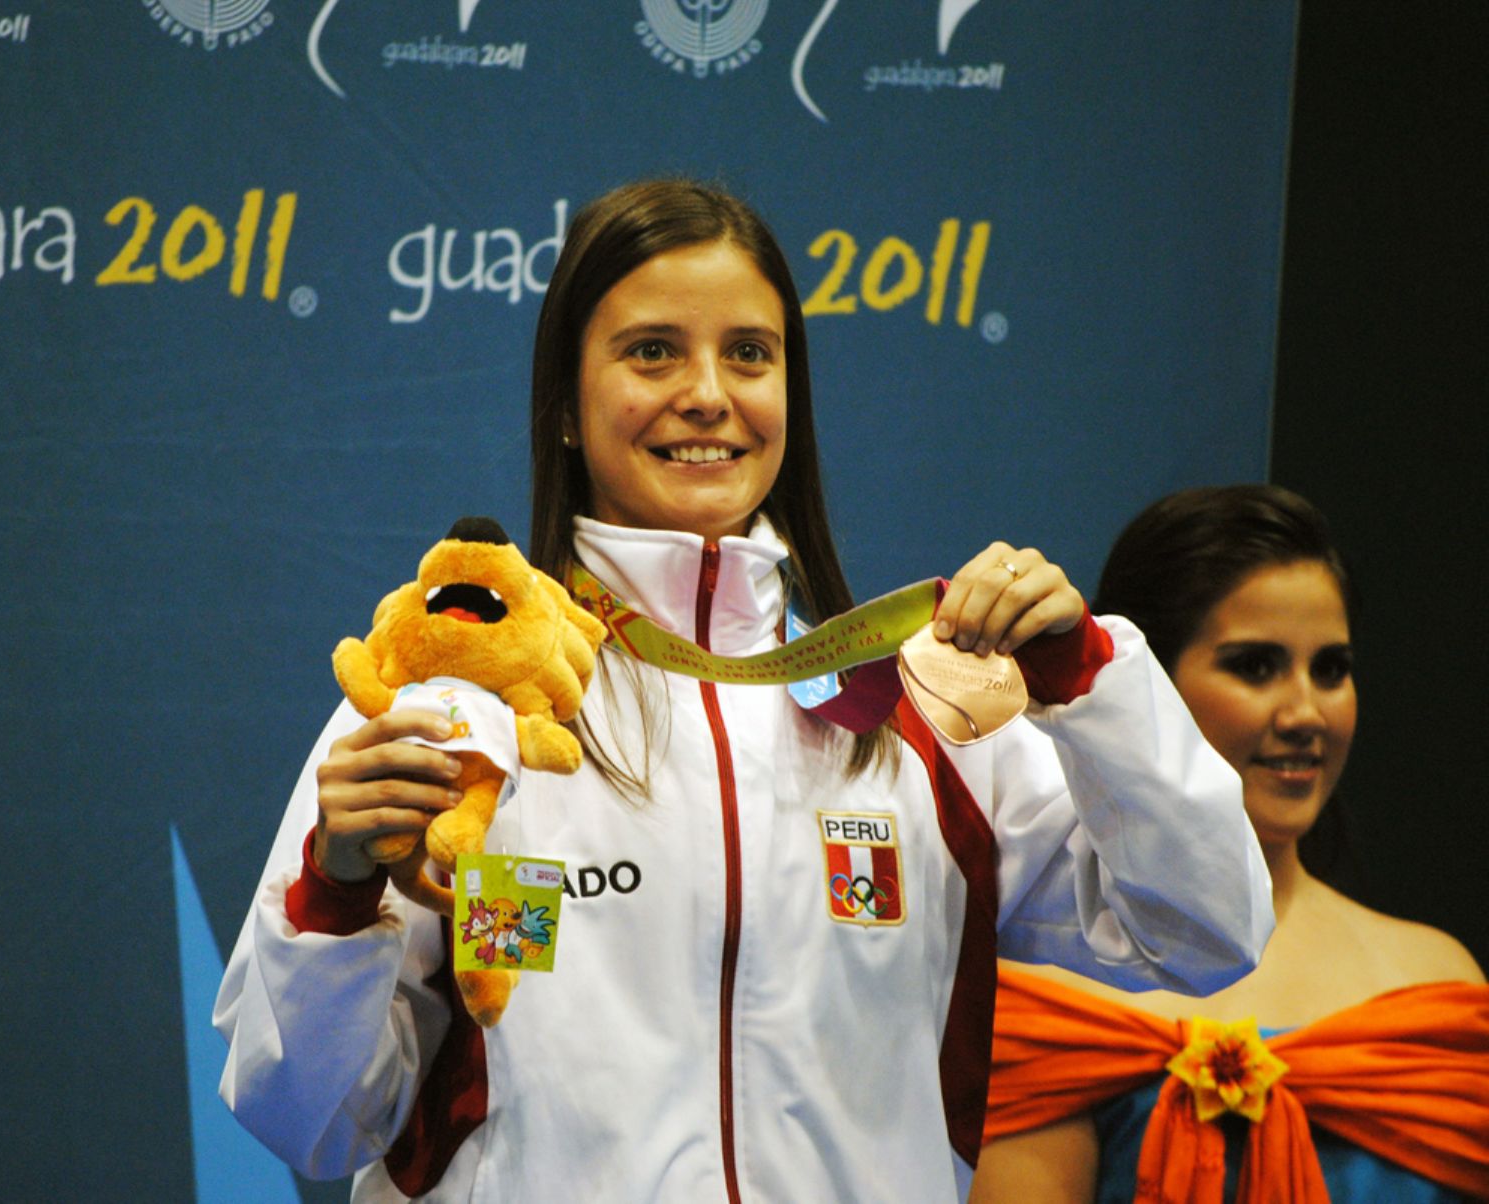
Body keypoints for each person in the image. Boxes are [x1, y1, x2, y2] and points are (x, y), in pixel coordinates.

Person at [214, 180, 1273, 1202]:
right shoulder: (458, 701)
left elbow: (1205, 932)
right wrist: (338, 888)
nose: (709, 393)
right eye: (652, 351)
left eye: (750, 355)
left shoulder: (929, 716)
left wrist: (1089, 678)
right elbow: (305, 1118)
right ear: (569, 409)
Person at [970, 484, 1489, 1204]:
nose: (1307, 711)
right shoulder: (1049, 979)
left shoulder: (1441, 983)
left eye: (1331, 669)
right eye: (1255, 666)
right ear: (1150, 690)